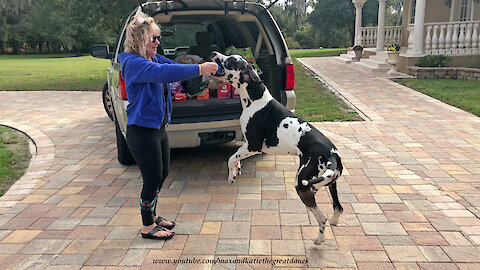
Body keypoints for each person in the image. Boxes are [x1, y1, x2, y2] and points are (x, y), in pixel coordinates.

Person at [118, 13, 218, 240]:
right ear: (141, 40)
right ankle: (146, 226)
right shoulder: (133, 63)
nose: (157, 43)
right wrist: (199, 69)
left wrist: (198, 70)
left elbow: (173, 66)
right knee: (152, 178)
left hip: (157, 128)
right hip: (141, 131)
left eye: (157, 38)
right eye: (153, 39)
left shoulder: (154, 59)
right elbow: (163, 74)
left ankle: (152, 215)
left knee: (162, 173)